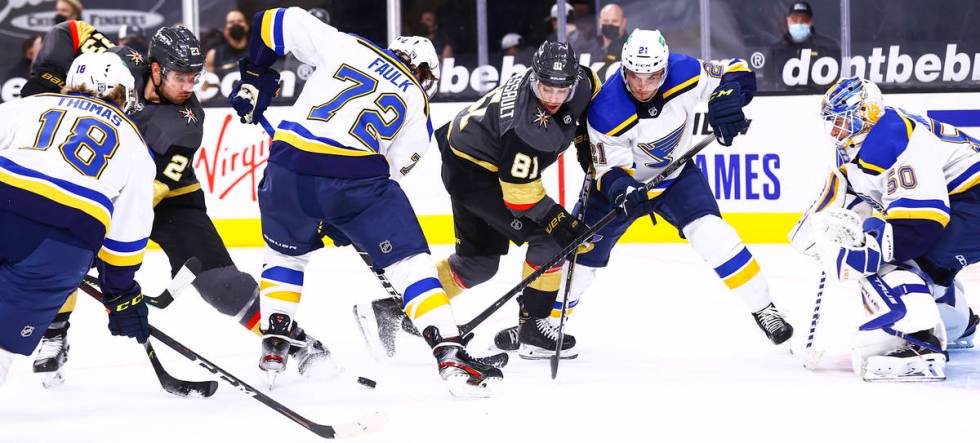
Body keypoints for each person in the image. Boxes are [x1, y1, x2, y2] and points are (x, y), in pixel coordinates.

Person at [24, 24, 333, 387]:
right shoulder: (123, 62)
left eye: (195, 77)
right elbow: (71, 31)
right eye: (181, 77)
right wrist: (42, 86)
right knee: (59, 248)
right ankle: (54, 333)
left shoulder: (186, 124)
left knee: (220, 285)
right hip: (102, 185)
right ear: (155, 69)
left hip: (169, 199)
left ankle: (294, 341)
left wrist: (107, 258)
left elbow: (143, 199)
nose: (189, 86)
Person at [228, 7, 502, 396]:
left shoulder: (348, 45)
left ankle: (274, 343)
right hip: (353, 179)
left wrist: (256, 74)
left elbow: (273, 20)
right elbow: (385, 175)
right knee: (409, 264)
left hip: (286, 165)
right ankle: (449, 351)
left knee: (285, 255)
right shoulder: (418, 110)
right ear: (425, 74)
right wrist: (347, 219)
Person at [540, 29, 794, 354]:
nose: (643, 85)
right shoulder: (605, 109)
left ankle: (765, 309)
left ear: (664, 69)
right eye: (635, 76)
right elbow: (607, 170)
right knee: (581, 262)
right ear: (624, 69)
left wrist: (730, 95)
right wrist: (623, 191)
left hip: (675, 177)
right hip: (618, 189)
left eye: (652, 76)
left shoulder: (685, 70)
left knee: (714, 234)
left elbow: (737, 69)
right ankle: (546, 326)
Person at [356, 41, 600, 360]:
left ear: (573, 80)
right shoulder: (525, 127)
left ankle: (393, 309)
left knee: (477, 265)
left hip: (465, 158)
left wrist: (584, 138)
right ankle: (533, 328)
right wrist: (560, 222)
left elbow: (593, 91)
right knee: (549, 238)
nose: (553, 98)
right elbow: (520, 194)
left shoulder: (581, 80)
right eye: (545, 88)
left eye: (561, 90)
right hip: (476, 177)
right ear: (533, 78)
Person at [788, 76, 978, 381]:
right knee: (916, 265)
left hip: (973, 202)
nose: (835, 130)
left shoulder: (893, 137)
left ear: (867, 113)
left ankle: (919, 342)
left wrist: (870, 251)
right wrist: (816, 229)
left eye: (843, 121)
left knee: (892, 262)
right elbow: (843, 192)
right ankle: (958, 324)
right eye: (832, 122)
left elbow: (922, 224)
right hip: (966, 203)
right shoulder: (858, 144)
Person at [0, 51, 153, 387]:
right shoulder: (134, 143)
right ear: (122, 91)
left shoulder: (32, 104)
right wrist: (120, 293)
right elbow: (126, 236)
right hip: (60, 247)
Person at [766, 2, 841, 91]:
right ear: (788, 21)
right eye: (794, 19)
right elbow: (769, 83)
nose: (799, 23)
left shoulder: (828, 47)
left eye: (804, 20)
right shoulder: (776, 50)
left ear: (811, 22)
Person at [205, 10, 250, 78]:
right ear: (225, 29)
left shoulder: (258, 52)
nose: (236, 24)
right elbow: (207, 85)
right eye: (231, 22)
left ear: (247, 26)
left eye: (240, 21)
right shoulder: (213, 55)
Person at [595, 3, 627, 80]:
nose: (609, 25)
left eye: (614, 21)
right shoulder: (590, 46)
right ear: (600, 22)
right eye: (606, 21)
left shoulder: (629, 48)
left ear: (623, 22)